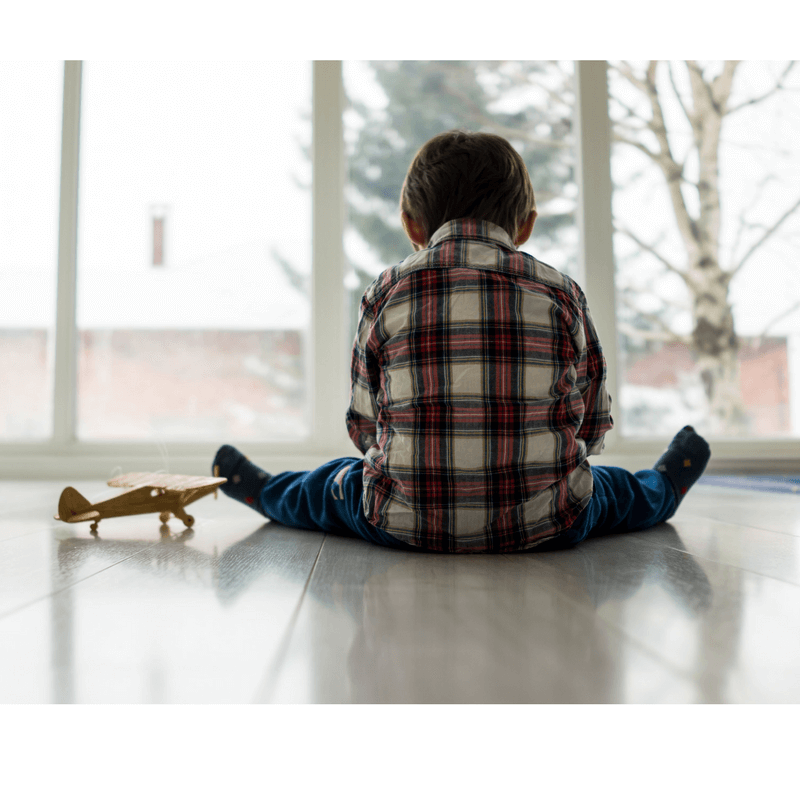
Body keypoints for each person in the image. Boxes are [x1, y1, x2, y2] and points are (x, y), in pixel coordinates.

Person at [212, 130, 710, 553]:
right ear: (527, 225)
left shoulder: (385, 292)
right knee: (617, 491)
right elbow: (594, 425)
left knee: (326, 485)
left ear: (410, 223)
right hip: (547, 525)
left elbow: (364, 427)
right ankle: (665, 484)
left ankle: (265, 491)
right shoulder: (562, 292)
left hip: (404, 525)